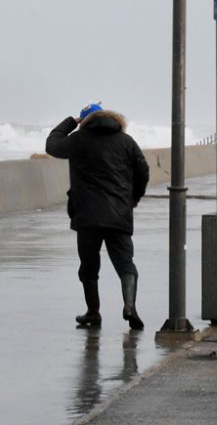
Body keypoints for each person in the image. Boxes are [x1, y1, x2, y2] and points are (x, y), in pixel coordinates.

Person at [46, 103, 150, 330]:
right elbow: (143, 172)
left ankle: (93, 313)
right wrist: (132, 199)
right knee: (125, 262)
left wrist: (70, 122)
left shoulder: (78, 140)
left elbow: (51, 145)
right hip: (119, 214)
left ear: (84, 122)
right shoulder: (127, 142)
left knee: (89, 266)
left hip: (87, 215)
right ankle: (130, 306)